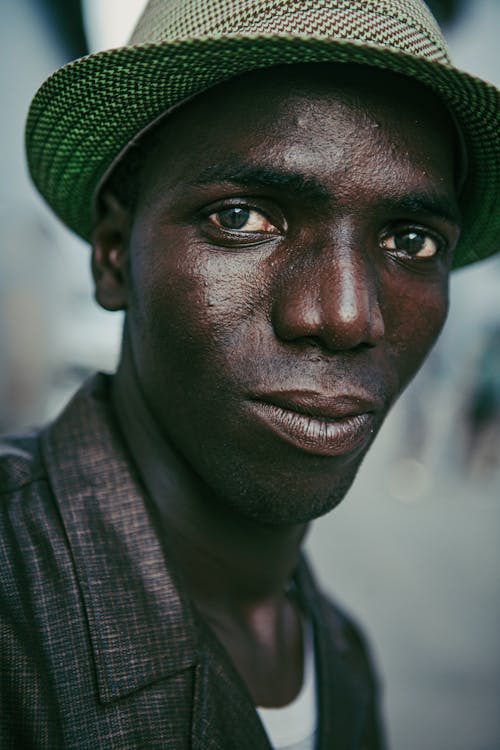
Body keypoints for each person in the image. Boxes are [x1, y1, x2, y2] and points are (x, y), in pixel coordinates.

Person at [1, 1, 499, 748]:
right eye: (242, 218)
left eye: (411, 240)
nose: (344, 315)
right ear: (112, 254)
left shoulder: (340, 657)